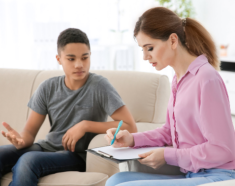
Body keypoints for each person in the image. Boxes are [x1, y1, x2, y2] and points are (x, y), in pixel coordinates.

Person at [105, 7, 235, 186]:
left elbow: (223, 149)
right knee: (116, 180)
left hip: (216, 176)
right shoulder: (178, 79)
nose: (144, 56)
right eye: (142, 49)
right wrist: (132, 139)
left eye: (149, 48)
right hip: (192, 174)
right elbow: (169, 132)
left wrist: (168, 156)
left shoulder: (206, 78)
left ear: (173, 40)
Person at [0, 28, 137, 186]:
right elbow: (30, 132)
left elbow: (130, 127)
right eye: (71, 59)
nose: (79, 65)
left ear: (90, 56)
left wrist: (85, 125)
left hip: (76, 155)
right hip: (46, 147)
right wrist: (21, 140)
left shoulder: (100, 86)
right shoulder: (47, 87)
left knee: (28, 161)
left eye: (84, 58)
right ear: (59, 59)